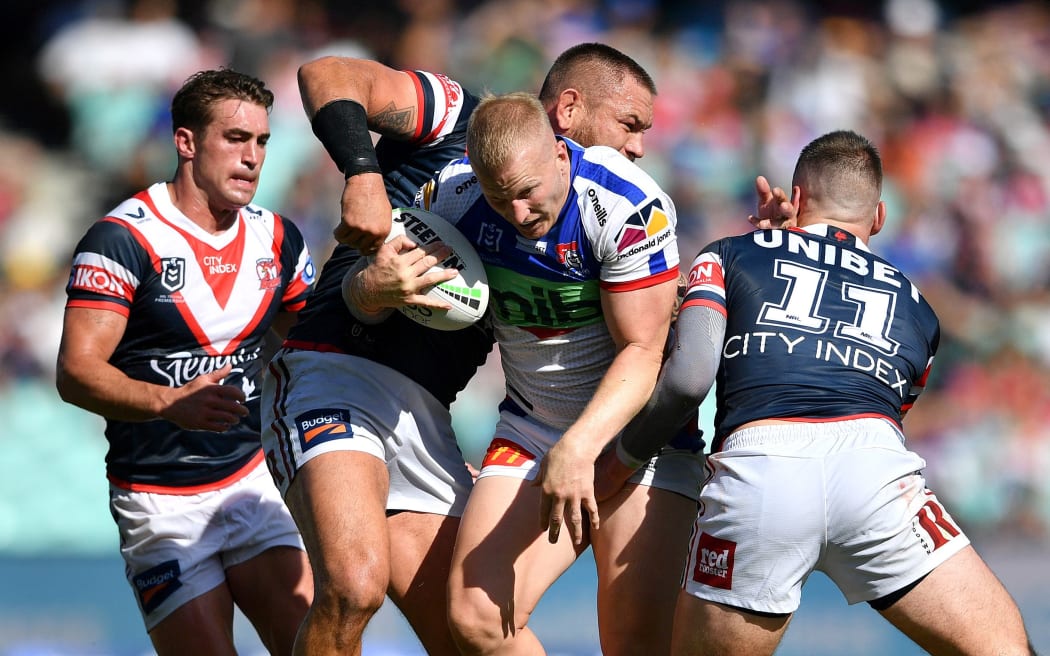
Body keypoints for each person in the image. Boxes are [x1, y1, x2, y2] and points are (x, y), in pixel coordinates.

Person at [262, 42, 702, 656]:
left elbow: (645, 339)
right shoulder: (458, 133)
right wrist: (362, 177)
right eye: (629, 125)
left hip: (434, 413)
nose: (636, 146)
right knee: (356, 587)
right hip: (343, 378)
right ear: (567, 113)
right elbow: (326, 72)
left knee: (466, 635)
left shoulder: (618, 205)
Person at [595, 130, 1036, 655]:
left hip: (761, 473)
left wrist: (618, 461)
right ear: (878, 218)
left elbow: (688, 378)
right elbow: (893, 407)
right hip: (875, 475)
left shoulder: (727, 255)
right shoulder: (919, 305)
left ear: (797, 199)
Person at [409, 91, 704, 656]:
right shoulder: (452, 195)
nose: (517, 214)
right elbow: (391, 274)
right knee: (474, 619)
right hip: (532, 428)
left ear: (561, 154)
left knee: (634, 644)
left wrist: (579, 449)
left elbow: (644, 351)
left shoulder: (626, 206)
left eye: (527, 192)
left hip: (638, 438)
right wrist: (376, 284)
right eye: (500, 198)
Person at [55, 69, 315, 656]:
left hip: (253, 482)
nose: (252, 157)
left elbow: (320, 348)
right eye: (235, 139)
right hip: (159, 499)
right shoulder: (122, 239)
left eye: (262, 142)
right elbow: (75, 372)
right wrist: (170, 401)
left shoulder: (277, 239)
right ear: (187, 142)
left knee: (315, 647)